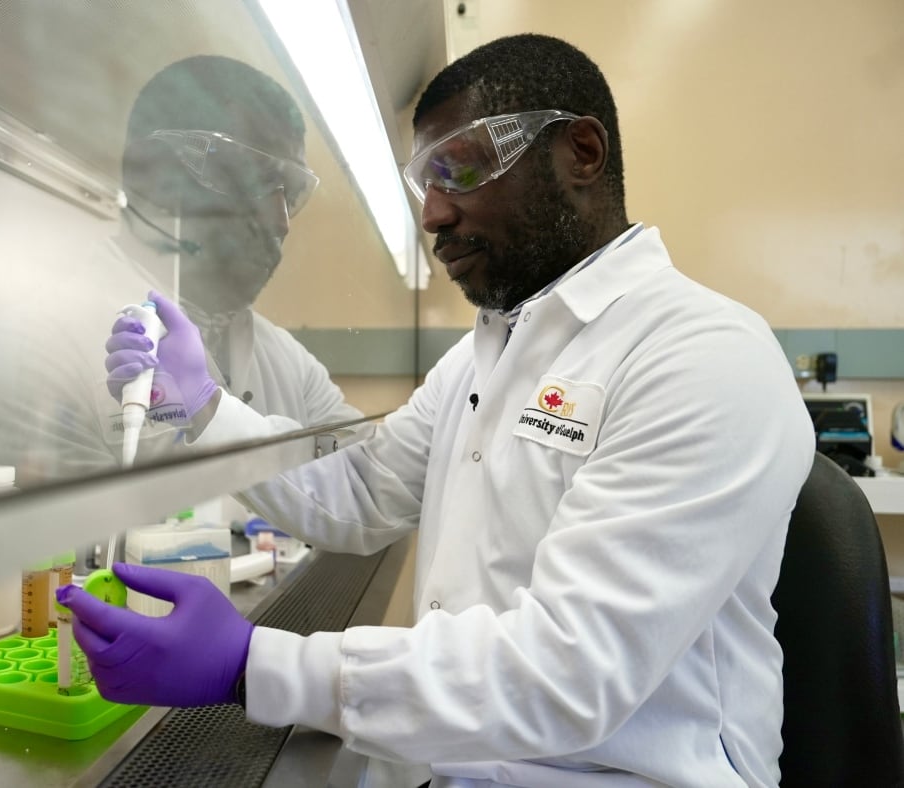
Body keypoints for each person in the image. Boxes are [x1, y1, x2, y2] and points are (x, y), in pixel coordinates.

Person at [60, 34, 816, 786]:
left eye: (459, 168)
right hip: (458, 762)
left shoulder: (700, 354)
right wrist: (206, 410)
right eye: (424, 184)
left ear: (581, 153)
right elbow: (360, 495)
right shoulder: (482, 356)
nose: (434, 216)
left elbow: (568, 670)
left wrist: (253, 663)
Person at [0, 55, 360, 485]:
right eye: (254, 179)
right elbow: (60, 546)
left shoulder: (289, 363)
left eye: (290, 194)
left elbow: (362, 484)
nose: (281, 221)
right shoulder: (31, 351)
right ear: (157, 178)